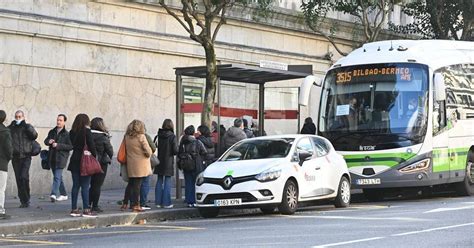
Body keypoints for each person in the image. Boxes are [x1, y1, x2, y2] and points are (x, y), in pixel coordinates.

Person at [68, 114, 97, 217]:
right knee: (85, 186)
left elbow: (71, 144)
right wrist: (94, 155)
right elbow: (91, 145)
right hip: (85, 160)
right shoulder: (86, 131)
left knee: (75, 185)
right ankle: (86, 209)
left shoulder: (72, 132)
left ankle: (74, 209)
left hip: (74, 160)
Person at [8, 110, 38, 208]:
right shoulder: (11, 128)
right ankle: (23, 200)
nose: (18, 118)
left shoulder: (27, 127)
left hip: (26, 156)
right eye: (16, 117)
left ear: (23, 117)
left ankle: (27, 198)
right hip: (15, 157)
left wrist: (27, 126)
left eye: (20, 116)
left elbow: (34, 135)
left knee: (24, 177)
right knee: (19, 179)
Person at [124, 120, 152, 212]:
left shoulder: (127, 137)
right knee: (137, 185)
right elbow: (149, 151)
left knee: (131, 184)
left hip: (131, 163)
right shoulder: (141, 137)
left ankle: (125, 203)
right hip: (141, 164)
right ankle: (135, 204)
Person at [44, 114, 73, 203]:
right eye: (57, 120)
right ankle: (64, 194)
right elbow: (45, 141)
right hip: (52, 157)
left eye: (60, 120)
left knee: (57, 177)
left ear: (64, 122)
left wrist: (58, 145)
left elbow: (70, 146)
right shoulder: (52, 131)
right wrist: (49, 141)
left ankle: (53, 194)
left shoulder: (67, 134)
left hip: (61, 158)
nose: (58, 122)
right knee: (58, 177)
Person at [89, 117, 113, 213]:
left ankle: (87, 204)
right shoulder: (103, 137)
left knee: (90, 184)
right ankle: (95, 205)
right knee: (97, 185)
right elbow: (110, 151)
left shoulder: (88, 135)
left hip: (88, 162)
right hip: (101, 163)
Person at [178, 125, 207, 207]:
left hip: (186, 165)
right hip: (196, 164)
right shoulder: (197, 142)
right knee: (195, 183)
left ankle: (189, 200)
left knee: (188, 183)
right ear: (193, 133)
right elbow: (204, 152)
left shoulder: (182, 142)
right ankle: (194, 201)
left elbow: (179, 153)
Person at [154, 119, 178, 209]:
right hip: (168, 161)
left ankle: (158, 202)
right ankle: (166, 203)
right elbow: (175, 150)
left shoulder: (158, 135)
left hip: (159, 160)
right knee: (167, 181)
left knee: (159, 180)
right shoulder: (172, 136)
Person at [0, 110, 13, 219]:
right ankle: (0, 210)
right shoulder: (5, 132)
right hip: (2, 163)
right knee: (1, 188)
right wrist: (9, 158)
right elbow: (9, 149)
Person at [140, 132, 156, 210]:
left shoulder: (128, 136)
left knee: (134, 183)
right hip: (144, 162)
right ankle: (142, 202)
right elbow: (152, 149)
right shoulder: (144, 136)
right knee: (145, 182)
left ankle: (133, 202)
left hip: (132, 164)